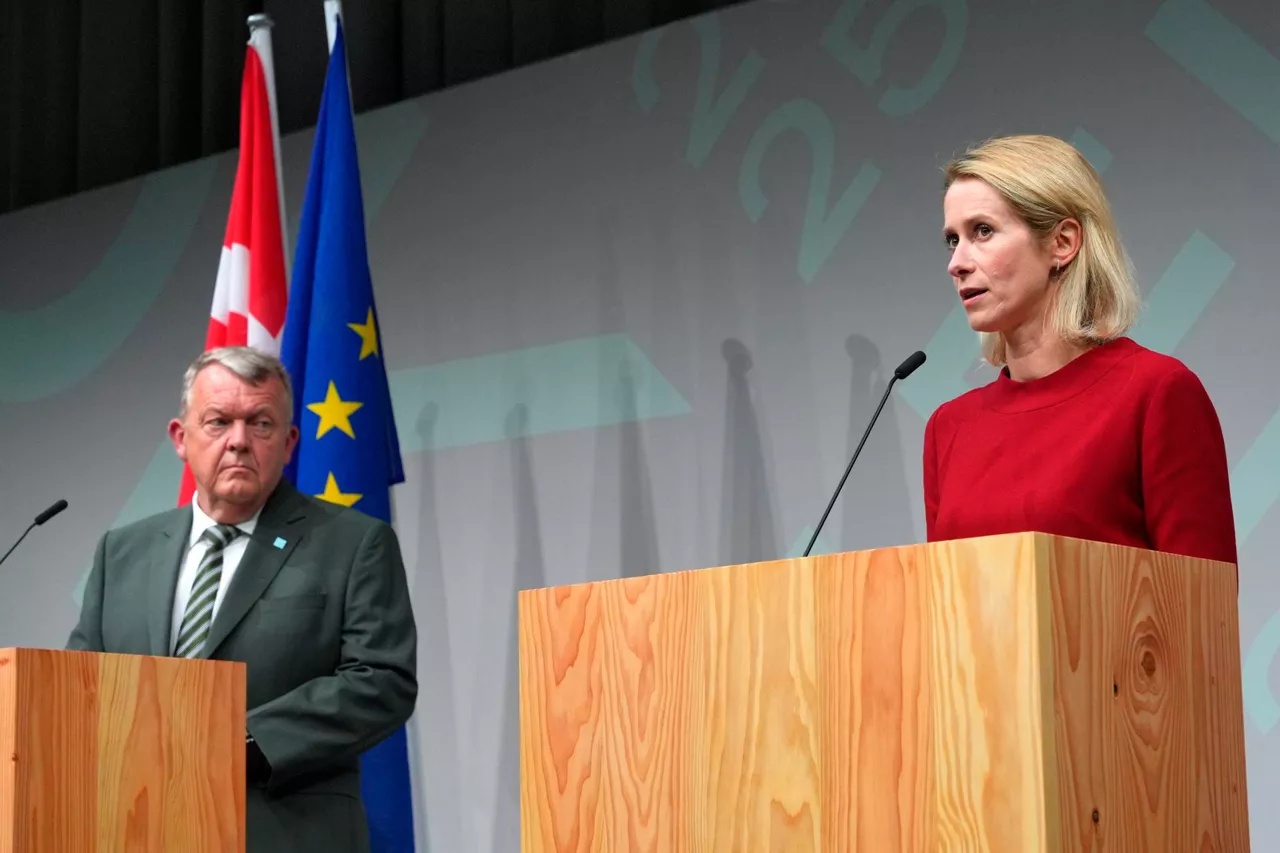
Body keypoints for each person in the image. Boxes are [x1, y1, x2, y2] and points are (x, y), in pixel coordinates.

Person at [67, 346, 418, 852]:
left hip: (285, 831)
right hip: (136, 829)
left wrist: (244, 742)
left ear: (289, 441)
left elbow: (383, 681)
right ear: (180, 438)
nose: (239, 442)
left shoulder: (353, 543)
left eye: (261, 424)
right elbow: (83, 686)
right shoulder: (123, 552)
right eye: (218, 422)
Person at [923, 134, 1237, 566]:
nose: (956, 262)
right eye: (952, 240)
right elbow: (941, 606)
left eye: (982, 231)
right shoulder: (949, 428)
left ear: (1063, 243)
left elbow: (1203, 610)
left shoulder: (1155, 394)